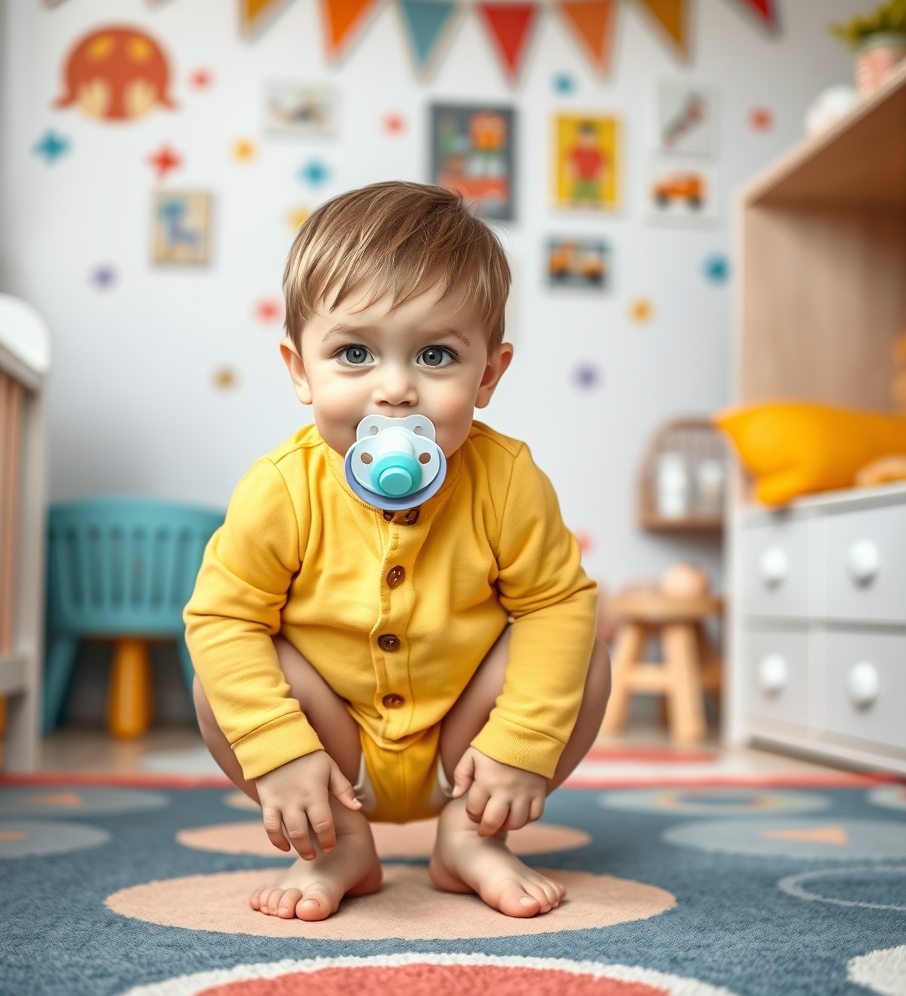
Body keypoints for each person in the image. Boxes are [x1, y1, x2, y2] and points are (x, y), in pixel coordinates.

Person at [185, 181, 610, 924]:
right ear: (299, 369)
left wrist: (522, 742)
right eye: (354, 352)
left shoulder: (509, 480)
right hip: (330, 746)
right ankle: (338, 844)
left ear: (487, 375)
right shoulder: (281, 490)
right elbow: (221, 619)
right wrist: (277, 747)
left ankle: (472, 838)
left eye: (434, 355)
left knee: (585, 655)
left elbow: (555, 603)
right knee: (216, 684)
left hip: (469, 744)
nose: (394, 390)